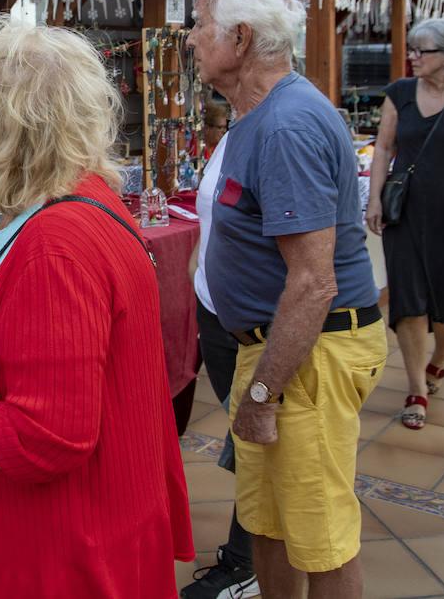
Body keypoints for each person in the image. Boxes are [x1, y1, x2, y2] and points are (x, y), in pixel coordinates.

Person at [0, 17, 193, 598]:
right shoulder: (86, 203)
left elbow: (46, 438)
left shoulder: (55, 246)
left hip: (58, 549)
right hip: (99, 518)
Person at [187, 0, 385, 599]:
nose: (190, 37)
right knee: (267, 522)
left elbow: (313, 282)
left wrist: (266, 395)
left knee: (320, 533)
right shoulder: (254, 117)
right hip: (277, 350)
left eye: (200, 23)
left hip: (309, 353)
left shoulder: (287, 124)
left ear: (239, 39)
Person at [365, 19, 444, 432]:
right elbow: (384, 148)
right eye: (412, 49)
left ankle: (440, 358)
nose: (413, 57)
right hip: (406, 210)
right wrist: (374, 199)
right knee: (409, 300)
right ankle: (416, 387)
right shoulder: (399, 93)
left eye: (424, 51)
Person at [184, 99, 259, 599]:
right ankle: (252, 548)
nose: (193, 36)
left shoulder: (278, 130)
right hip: (216, 309)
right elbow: (210, 218)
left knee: (254, 439)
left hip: (254, 322)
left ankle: (247, 561)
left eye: (205, 26)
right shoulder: (236, 131)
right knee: (243, 433)